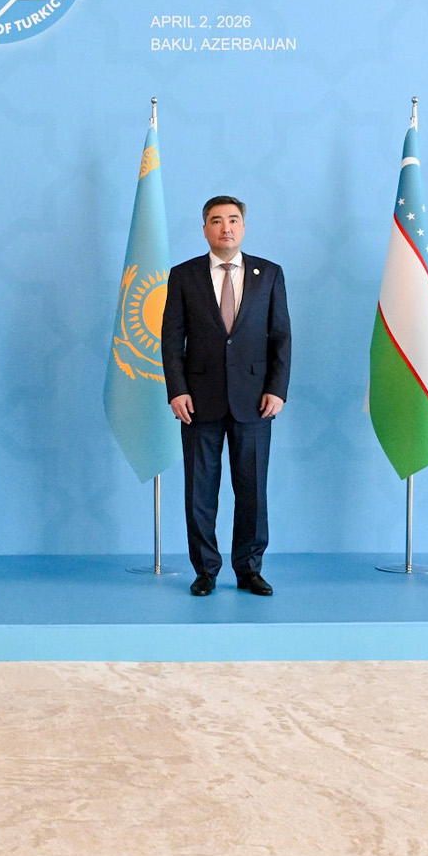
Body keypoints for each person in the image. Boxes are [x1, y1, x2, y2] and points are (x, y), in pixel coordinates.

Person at [161, 195, 292, 597]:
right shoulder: (184, 275)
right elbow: (171, 339)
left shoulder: (269, 274)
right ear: (205, 229)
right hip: (198, 401)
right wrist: (177, 390)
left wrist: (277, 389)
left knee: (252, 490)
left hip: (255, 400)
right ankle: (205, 570)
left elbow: (281, 336)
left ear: (244, 227)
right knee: (200, 491)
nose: (226, 228)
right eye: (217, 221)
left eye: (233, 220)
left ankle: (249, 569)